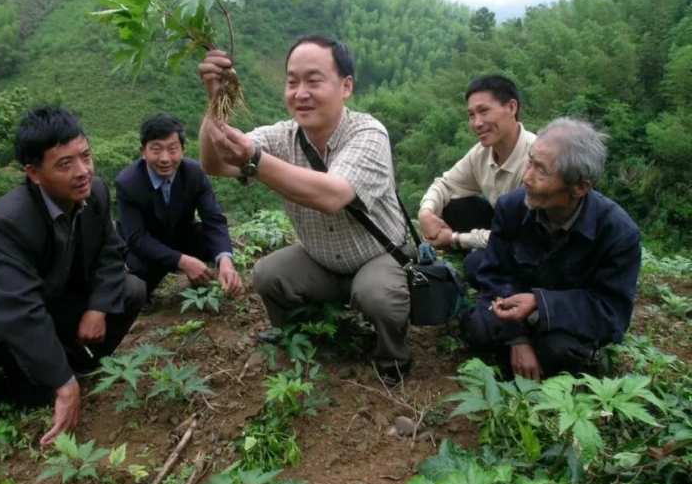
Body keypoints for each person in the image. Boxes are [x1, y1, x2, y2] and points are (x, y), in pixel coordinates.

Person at [197, 35, 410, 382]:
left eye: (313, 80)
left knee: (378, 295)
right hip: (322, 260)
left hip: (377, 255)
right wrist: (215, 100)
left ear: (346, 86)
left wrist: (255, 160)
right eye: (292, 82)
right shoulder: (282, 136)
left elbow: (332, 196)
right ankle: (297, 335)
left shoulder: (370, 134)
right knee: (268, 274)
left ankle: (392, 358)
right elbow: (214, 163)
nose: (300, 92)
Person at [0, 107, 146, 445]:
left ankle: (77, 367)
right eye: (64, 164)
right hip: (4, 319)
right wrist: (63, 385)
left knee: (131, 290)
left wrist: (97, 307)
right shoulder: (6, 223)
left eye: (85, 156)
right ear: (34, 174)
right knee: (11, 341)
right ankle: (44, 383)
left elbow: (111, 252)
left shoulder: (94, 192)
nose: (82, 171)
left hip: (56, 297)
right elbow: (19, 311)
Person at [462, 118, 641, 380]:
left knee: (559, 351)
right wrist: (517, 338)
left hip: (563, 319)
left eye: (541, 171)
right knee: (479, 329)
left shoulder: (617, 233)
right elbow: (495, 274)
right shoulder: (512, 207)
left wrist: (540, 304)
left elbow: (612, 312)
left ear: (580, 187)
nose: (526, 178)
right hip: (516, 302)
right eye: (530, 161)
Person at [418, 75, 536, 286]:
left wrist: (454, 240)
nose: (477, 123)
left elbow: (518, 236)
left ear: (511, 107)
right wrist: (426, 212)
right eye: (471, 115)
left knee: (476, 265)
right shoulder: (482, 153)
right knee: (455, 206)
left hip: (530, 244)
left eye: (484, 111)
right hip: (503, 226)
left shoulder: (535, 159)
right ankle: (483, 253)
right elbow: (444, 185)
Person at [115, 113, 242, 308]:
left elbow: (214, 220)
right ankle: (145, 296)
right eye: (156, 150)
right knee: (138, 280)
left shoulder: (195, 173)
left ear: (183, 150)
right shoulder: (128, 183)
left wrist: (225, 260)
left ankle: (220, 272)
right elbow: (137, 238)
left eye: (172, 149)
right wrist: (183, 261)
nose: (165, 158)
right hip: (146, 246)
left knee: (216, 245)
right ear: (143, 151)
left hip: (181, 234)